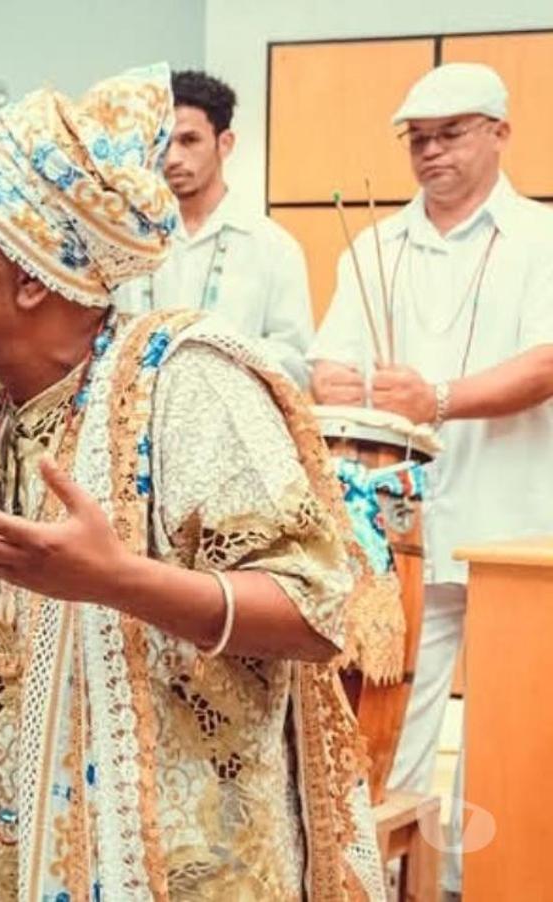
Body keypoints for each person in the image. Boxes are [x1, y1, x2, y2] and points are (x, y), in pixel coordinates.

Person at [0, 64, 384, 900]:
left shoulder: (187, 381)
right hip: (25, 855)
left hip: (186, 873)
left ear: (32, 274)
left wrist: (118, 581)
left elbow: (319, 613)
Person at [309, 62, 553, 895]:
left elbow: (549, 359)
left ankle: (493, 884)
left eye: (451, 133)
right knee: (393, 726)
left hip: (516, 526)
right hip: (400, 537)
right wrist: (330, 380)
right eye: (418, 139)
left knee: (513, 732)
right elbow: (327, 361)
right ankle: (397, 884)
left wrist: (439, 397)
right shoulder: (375, 247)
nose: (432, 152)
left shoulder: (541, 240)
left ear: (500, 134)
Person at [116, 70, 313, 386]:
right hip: (139, 427)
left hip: (232, 426)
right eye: (164, 143)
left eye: (189, 140)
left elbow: (296, 366)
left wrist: (218, 362)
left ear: (225, 143)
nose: (173, 159)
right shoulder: (129, 242)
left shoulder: (273, 247)